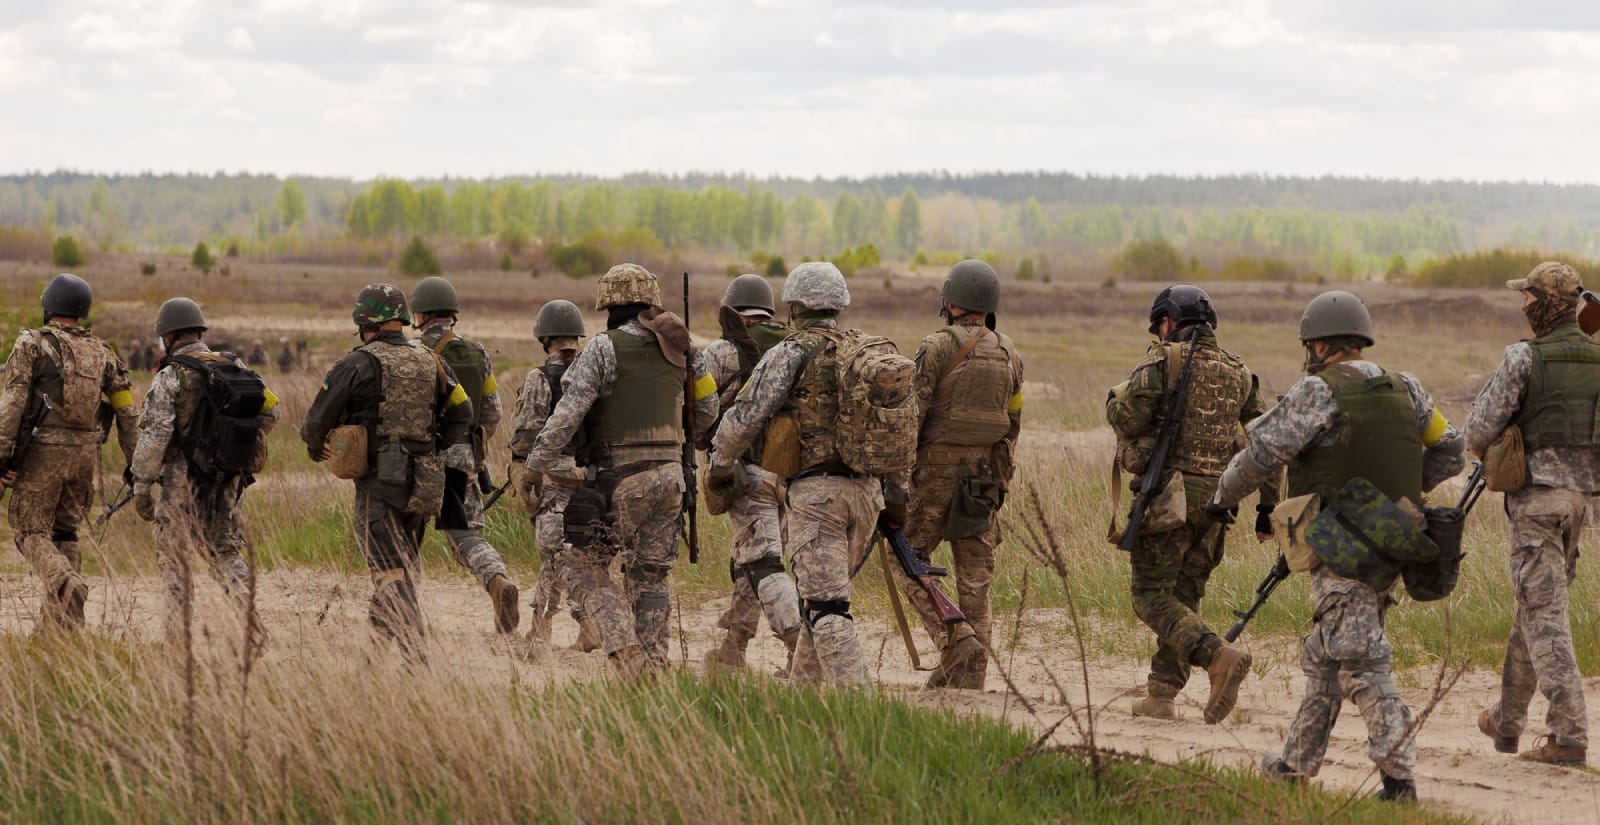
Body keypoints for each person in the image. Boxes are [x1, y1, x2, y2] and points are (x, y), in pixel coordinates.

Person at [1210, 289, 1465, 802]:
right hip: (1398, 538)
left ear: (1321, 345)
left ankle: (1399, 782)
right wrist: (1404, 498)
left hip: (1343, 544)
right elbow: (1452, 449)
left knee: (1362, 660)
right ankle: (1293, 766)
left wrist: (1219, 498)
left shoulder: (1317, 391)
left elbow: (1261, 455)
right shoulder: (1407, 388)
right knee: (1325, 655)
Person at [708, 262, 903, 687]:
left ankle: (859, 707)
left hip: (819, 498)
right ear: (841, 303)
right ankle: (802, 697)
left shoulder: (791, 352)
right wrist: (898, 498)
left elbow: (744, 417)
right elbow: (898, 427)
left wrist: (719, 467)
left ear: (794, 305)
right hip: (869, 494)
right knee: (819, 605)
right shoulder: (867, 352)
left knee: (828, 609)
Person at [522, 264, 717, 678]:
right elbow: (707, 409)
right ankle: (655, 665)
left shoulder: (603, 348)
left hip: (620, 477)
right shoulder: (685, 351)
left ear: (608, 304)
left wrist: (535, 468)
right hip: (671, 478)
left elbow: (568, 414)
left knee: (581, 566)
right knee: (650, 578)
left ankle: (627, 653)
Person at [1107, 285, 1268, 722]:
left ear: (1167, 323)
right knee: (1183, 595)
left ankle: (1216, 656)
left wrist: (1113, 401)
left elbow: (1130, 418)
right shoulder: (1240, 372)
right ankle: (1161, 695)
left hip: (1168, 497)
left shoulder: (1163, 360)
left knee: (1149, 596)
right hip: (1219, 501)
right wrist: (1268, 511)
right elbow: (1269, 443)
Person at [1469, 261, 1597, 768]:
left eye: (1528, 297)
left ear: (1544, 304)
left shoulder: (1523, 357)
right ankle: (1507, 721)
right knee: (1534, 611)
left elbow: (1477, 432)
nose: (1522, 304)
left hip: (1537, 504)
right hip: (1581, 505)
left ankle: (1569, 734)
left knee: (1545, 618)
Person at [300, 284, 472, 661]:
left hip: (380, 482)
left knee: (388, 572)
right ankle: (374, 662)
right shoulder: (431, 359)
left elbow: (315, 423)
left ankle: (417, 661)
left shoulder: (356, 363)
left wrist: (318, 448)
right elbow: (462, 411)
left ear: (365, 321)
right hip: (425, 484)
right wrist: (432, 444)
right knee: (401, 570)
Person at [880, 260, 1023, 689]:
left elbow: (913, 415)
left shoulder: (937, 347)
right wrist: (998, 478)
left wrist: (897, 478)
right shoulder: (1010, 352)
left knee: (904, 558)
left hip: (936, 474)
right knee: (975, 577)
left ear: (949, 301)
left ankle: (954, 640)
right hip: (984, 477)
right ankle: (973, 676)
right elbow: (1012, 425)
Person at [129, 298, 278, 641]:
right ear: (199, 331)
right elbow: (272, 414)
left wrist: (141, 485)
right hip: (228, 480)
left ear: (168, 336)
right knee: (224, 552)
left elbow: (156, 434)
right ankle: (252, 625)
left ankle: (177, 636)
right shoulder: (234, 366)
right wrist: (231, 447)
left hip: (182, 482)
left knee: (172, 557)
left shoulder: (170, 375)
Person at [0, 274, 140, 631]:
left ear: (48, 306)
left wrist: (1, 456)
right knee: (66, 534)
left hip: (41, 453)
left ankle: (65, 582)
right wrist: (135, 461)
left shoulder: (32, 343)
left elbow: (12, 403)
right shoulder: (104, 352)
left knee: (29, 531)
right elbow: (126, 409)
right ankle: (61, 628)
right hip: (85, 457)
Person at [698, 274, 803, 673]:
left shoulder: (723, 352)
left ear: (732, 312)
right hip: (793, 475)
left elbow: (697, 408)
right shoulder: (797, 347)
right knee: (753, 558)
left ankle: (798, 644)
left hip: (748, 472)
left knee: (763, 564)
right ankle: (734, 646)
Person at [411, 276, 520, 634]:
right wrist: (473, 447)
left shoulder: (414, 353)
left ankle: (401, 607)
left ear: (420, 314)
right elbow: (492, 411)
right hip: (464, 456)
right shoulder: (477, 351)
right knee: (464, 533)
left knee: (404, 531)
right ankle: (496, 579)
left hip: (423, 457)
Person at [510, 299, 596, 648]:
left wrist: (521, 464)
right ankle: (584, 625)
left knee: (553, 554)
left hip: (553, 475)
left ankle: (544, 625)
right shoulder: (595, 371)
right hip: (590, 477)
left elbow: (527, 432)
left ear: (545, 338)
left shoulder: (540, 378)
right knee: (579, 554)